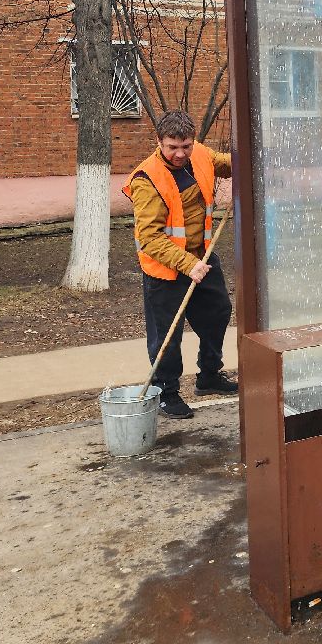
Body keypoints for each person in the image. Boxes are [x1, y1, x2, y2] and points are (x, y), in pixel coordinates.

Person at [123, 110, 239, 419]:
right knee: (167, 335)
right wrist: (187, 264)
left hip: (200, 255)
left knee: (218, 312)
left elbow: (223, 163)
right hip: (165, 269)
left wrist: (243, 162)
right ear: (159, 141)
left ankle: (209, 374)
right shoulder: (147, 180)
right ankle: (167, 393)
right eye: (172, 146)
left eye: (185, 146)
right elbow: (148, 237)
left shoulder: (199, 154)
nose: (179, 154)